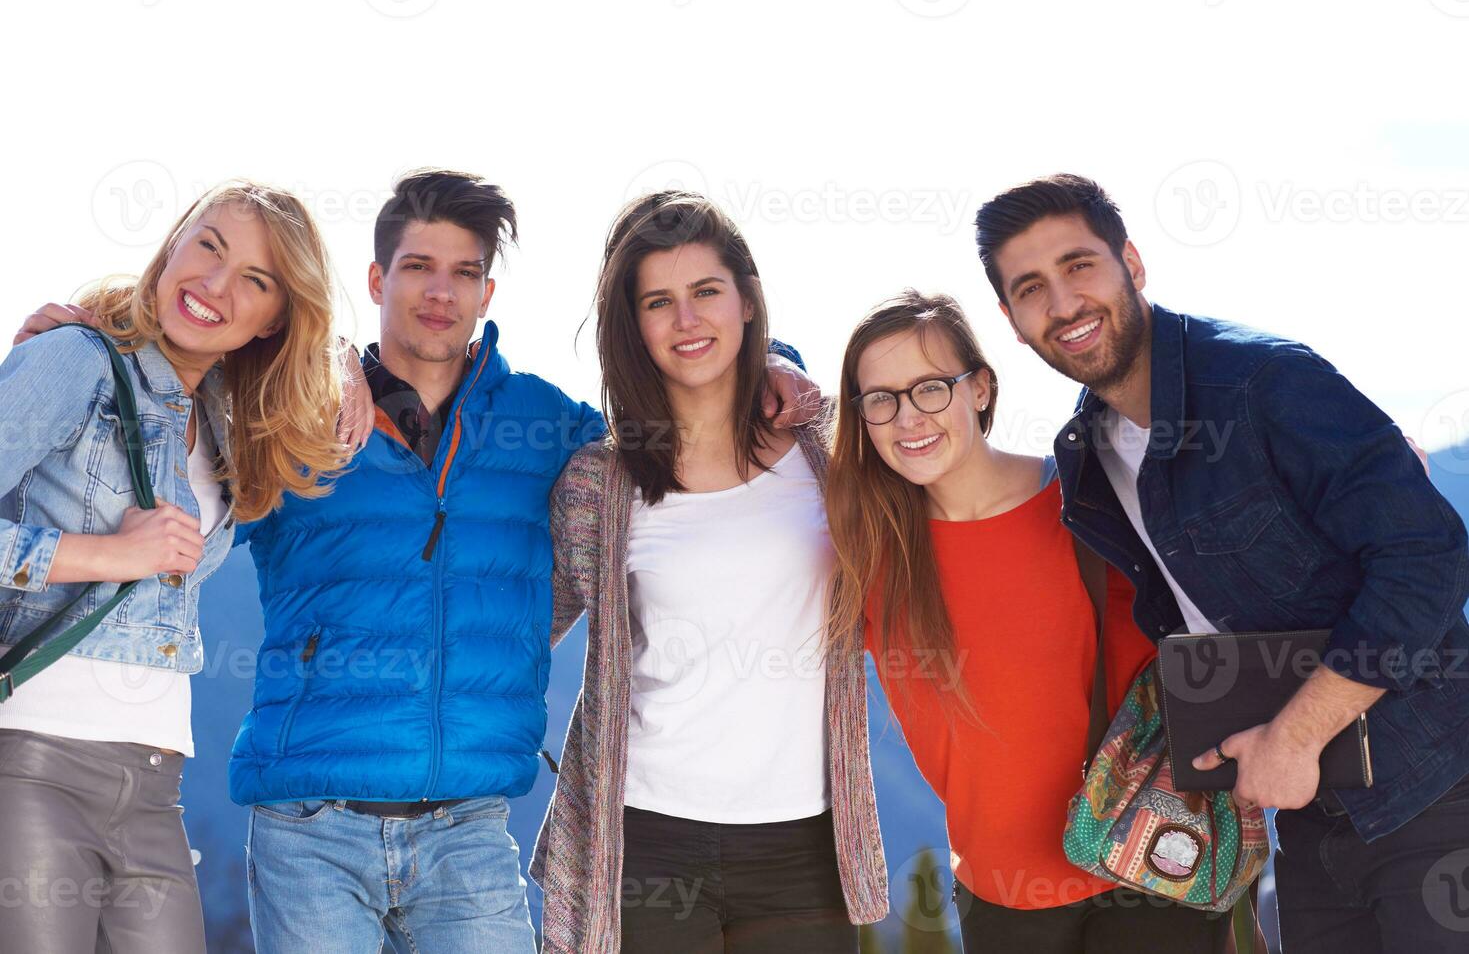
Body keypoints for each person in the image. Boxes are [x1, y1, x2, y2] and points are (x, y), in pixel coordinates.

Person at [16, 168, 820, 953]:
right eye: (418, 268)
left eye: (464, 273)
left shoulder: (548, 427)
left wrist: (777, 360)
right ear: (376, 278)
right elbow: (188, 372)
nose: (441, 293)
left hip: (469, 830)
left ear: (486, 295)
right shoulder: (294, 421)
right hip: (307, 830)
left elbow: (681, 390)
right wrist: (86, 335)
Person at [973, 173, 1469, 952]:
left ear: (1130, 262)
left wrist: (1297, 737)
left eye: (1078, 266)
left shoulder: (1263, 382)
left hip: (1435, 788)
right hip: (1302, 814)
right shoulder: (1086, 453)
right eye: (1030, 287)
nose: (1062, 304)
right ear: (1009, 319)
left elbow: (1426, 557)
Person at [532, 190, 888, 954]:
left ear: (747, 301)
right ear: (633, 326)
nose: (686, 320)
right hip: (647, 838)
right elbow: (521, 626)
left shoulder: (830, 451)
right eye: (658, 302)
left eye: (705, 292)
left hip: (806, 844)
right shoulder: (600, 481)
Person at [823, 289, 1231, 953]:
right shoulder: (868, 552)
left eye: (929, 388)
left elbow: (1236, 522)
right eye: (880, 399)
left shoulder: (1091, 499)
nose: (907, 417)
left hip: (1149, 867)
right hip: (1000, 899)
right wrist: (781, 369)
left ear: (980, 389)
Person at [0, 181, 347, 954]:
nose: (214, 286)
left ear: (276, 318)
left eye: (255, 281)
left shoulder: (227, 422)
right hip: (33, 759)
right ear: (174, 242)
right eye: (208, 246)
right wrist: (110, 554)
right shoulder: (73, 360)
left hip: (155, 780)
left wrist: (346, 365)